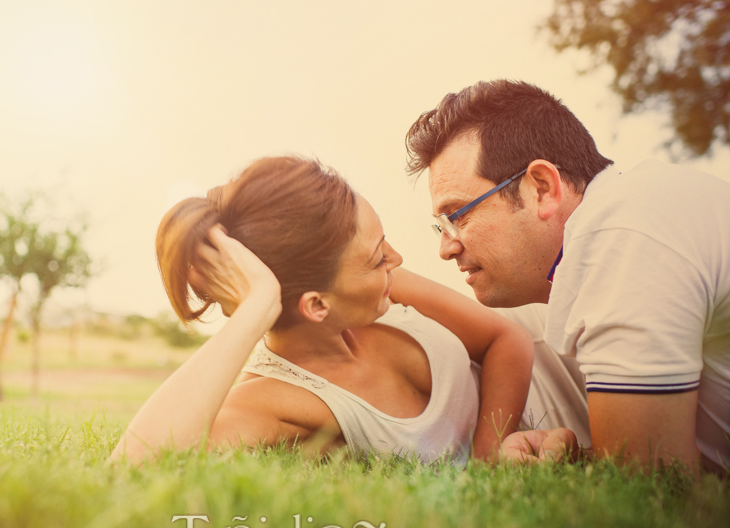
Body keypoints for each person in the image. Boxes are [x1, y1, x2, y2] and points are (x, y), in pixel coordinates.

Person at [110, 156, 585, 466]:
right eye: (377, 257)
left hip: (567, 366)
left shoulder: (381, 289)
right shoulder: (273, 397)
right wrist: (256, 304)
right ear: (317, 305)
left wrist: (488, 461)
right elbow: (137, 464)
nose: (396, 260)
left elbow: (507, 340)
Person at [404, 80, 730, 475]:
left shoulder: (621, 236)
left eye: (458, 216)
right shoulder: (635, 208)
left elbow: (650, 489)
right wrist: (574, 459)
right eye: (442, 227)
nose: (447, 247)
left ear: (542, 187)